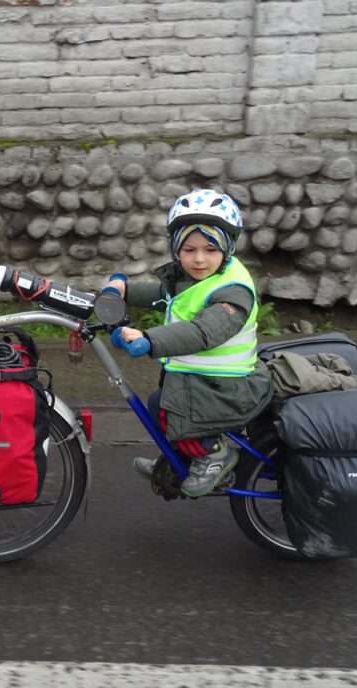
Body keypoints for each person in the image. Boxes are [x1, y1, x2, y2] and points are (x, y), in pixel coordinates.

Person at [105, 188, 273, 497]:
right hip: (212, 383)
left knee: (166, 405)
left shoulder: (233, 292)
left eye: (210, 249)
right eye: (188, 249)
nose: (198, 259)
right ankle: (184, 456)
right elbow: (165, 296)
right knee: (165, 397)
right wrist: (124, 290)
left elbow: (202, 332)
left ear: (227, 248)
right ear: (176, 250)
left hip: (235, 390)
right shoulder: (197, 279)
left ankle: (213, 455)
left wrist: (149, 339)